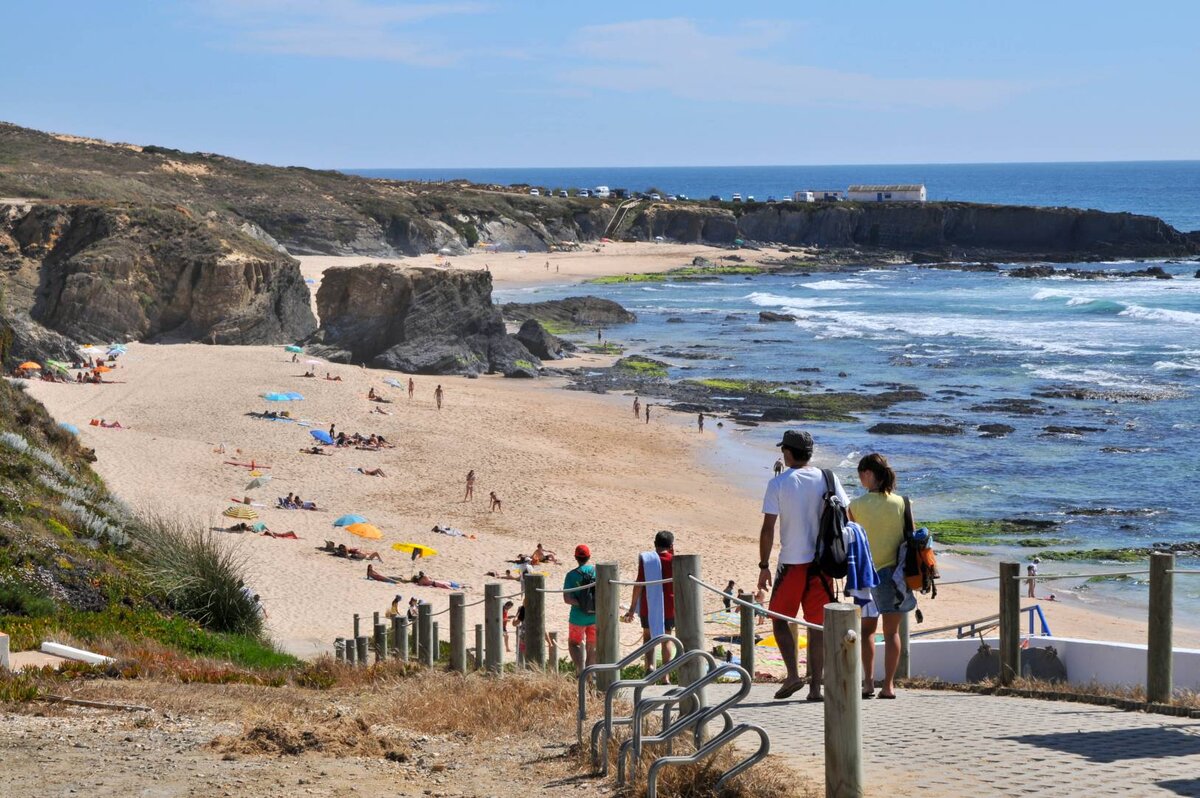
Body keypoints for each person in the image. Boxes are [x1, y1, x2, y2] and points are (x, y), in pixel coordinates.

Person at [757, 429, 848, 702]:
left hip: (792, 562)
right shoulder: (827, 477)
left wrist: (763, 565)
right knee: (817, 625)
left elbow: (767, 528)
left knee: (779, 618)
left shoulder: (779, 483)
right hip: (822, 563)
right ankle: (815, 687)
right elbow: (847, 515)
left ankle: (793, 674)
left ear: (787, 452)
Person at [848, 453, 914, 700]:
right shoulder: (902, 503)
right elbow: (910, 537)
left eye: (860, 475)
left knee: (866, 633)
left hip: (866, 574)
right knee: (892, 633)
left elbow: (853, 539)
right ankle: (888, 685)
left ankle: (867, 683)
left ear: (867, 474)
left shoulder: (855, 505)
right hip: (894, 575)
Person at [622, 530, 676, 671]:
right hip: (669, 605)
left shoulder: (648, 560)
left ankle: (650, 667)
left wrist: (632, 608)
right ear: (671, 546)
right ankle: (665, 676)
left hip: (649, 604)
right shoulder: (674, 561)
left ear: (654, 544)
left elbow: (639, 584)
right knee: (667, 638)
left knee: (647, 636)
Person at [564, 544, 597, 676]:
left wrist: (582, 604)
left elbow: (567, 599)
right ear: (589, 557)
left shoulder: (571, 575)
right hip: (596, 616)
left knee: (573, 644)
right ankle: (589, 675)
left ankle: (580, 669)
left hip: (578, 616)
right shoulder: (597, 571)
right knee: (592, 646)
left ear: (575, 557)